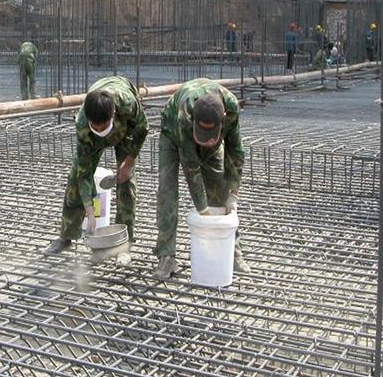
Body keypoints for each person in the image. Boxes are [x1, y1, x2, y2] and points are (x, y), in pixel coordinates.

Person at [44, 76, 149, 264]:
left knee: (126, 183)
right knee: (75, 178)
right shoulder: (83, 126)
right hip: (94, 139)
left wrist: (129, 163)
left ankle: (125, 245)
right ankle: (67, 236)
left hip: (125, 131)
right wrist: (90, 212)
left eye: (103, 125)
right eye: (96, 126)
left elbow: (142, 128)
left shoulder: (127, 104)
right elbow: (84, 173)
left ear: (114, 114)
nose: (99, 128)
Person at [154, 78, 248, 279]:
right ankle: (166, 256)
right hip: (173, 133)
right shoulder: (183, 116)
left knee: (218, 187)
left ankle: (232, 250)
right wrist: (204, 212)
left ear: (223, 118)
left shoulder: (231, 109)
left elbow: (236, 150)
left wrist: (233, 193)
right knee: (167, 190)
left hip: (209, 134)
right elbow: (191, 168)